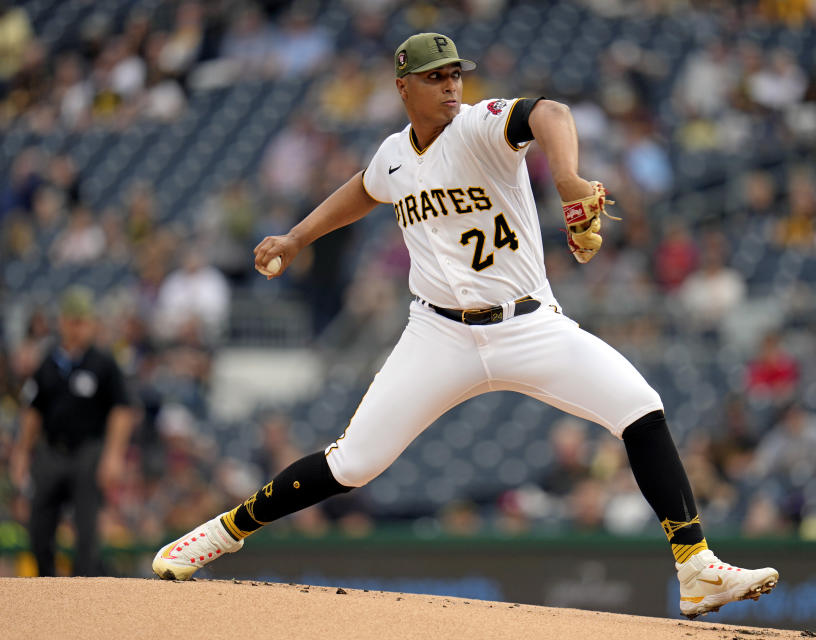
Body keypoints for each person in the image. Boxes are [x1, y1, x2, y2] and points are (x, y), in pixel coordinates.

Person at [151, 33, 778, 618]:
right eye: (435, 78)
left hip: (528, 325)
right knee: (354, 464)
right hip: (438, 335)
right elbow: (366, 189)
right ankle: (223, 532)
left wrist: (565, 178)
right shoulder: (395, 155)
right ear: (404, 88)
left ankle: (695, 568)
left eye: (455, 75)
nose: (451, 86)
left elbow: (551, 113)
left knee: (641, 407)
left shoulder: (480, 125)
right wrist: (295, 235)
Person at [10, 286, 135, 575]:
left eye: (81, 321)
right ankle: (46, 585)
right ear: (62, 322)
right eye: (70, 320)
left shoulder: (102, 363)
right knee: (39, 526)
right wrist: (21, 453)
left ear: (91, 324)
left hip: (87, 452)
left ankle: (85, 594)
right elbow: (33, 411)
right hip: (51, 451)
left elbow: (122, 410)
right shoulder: (49, 363)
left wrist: (113, 456)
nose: (75, 328)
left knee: (86, 530)